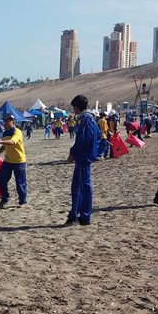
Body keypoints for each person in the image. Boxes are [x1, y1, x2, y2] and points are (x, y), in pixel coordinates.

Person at [65, 95, 100, 226]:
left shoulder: (85, 118)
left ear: (77, 107)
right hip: (86, 156)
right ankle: (83, 215)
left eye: (73, 107)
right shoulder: (90, 118)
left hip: (83, 158)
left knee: (79, 187)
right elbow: (97, 136)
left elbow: (83, 139)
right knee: (84, 185)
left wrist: (73, 152)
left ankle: (77, 215)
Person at [0, 113, 27, 208]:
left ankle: (22, 201)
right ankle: (5, 199)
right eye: (4, 120)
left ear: (12, 121)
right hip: (7, 161)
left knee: (20, 182)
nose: (5, 122)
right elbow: (5, 146)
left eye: (7, 120)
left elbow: (12, 142)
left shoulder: (17, 131)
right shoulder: (5, 132)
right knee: (1, 179)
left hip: (19, 161)